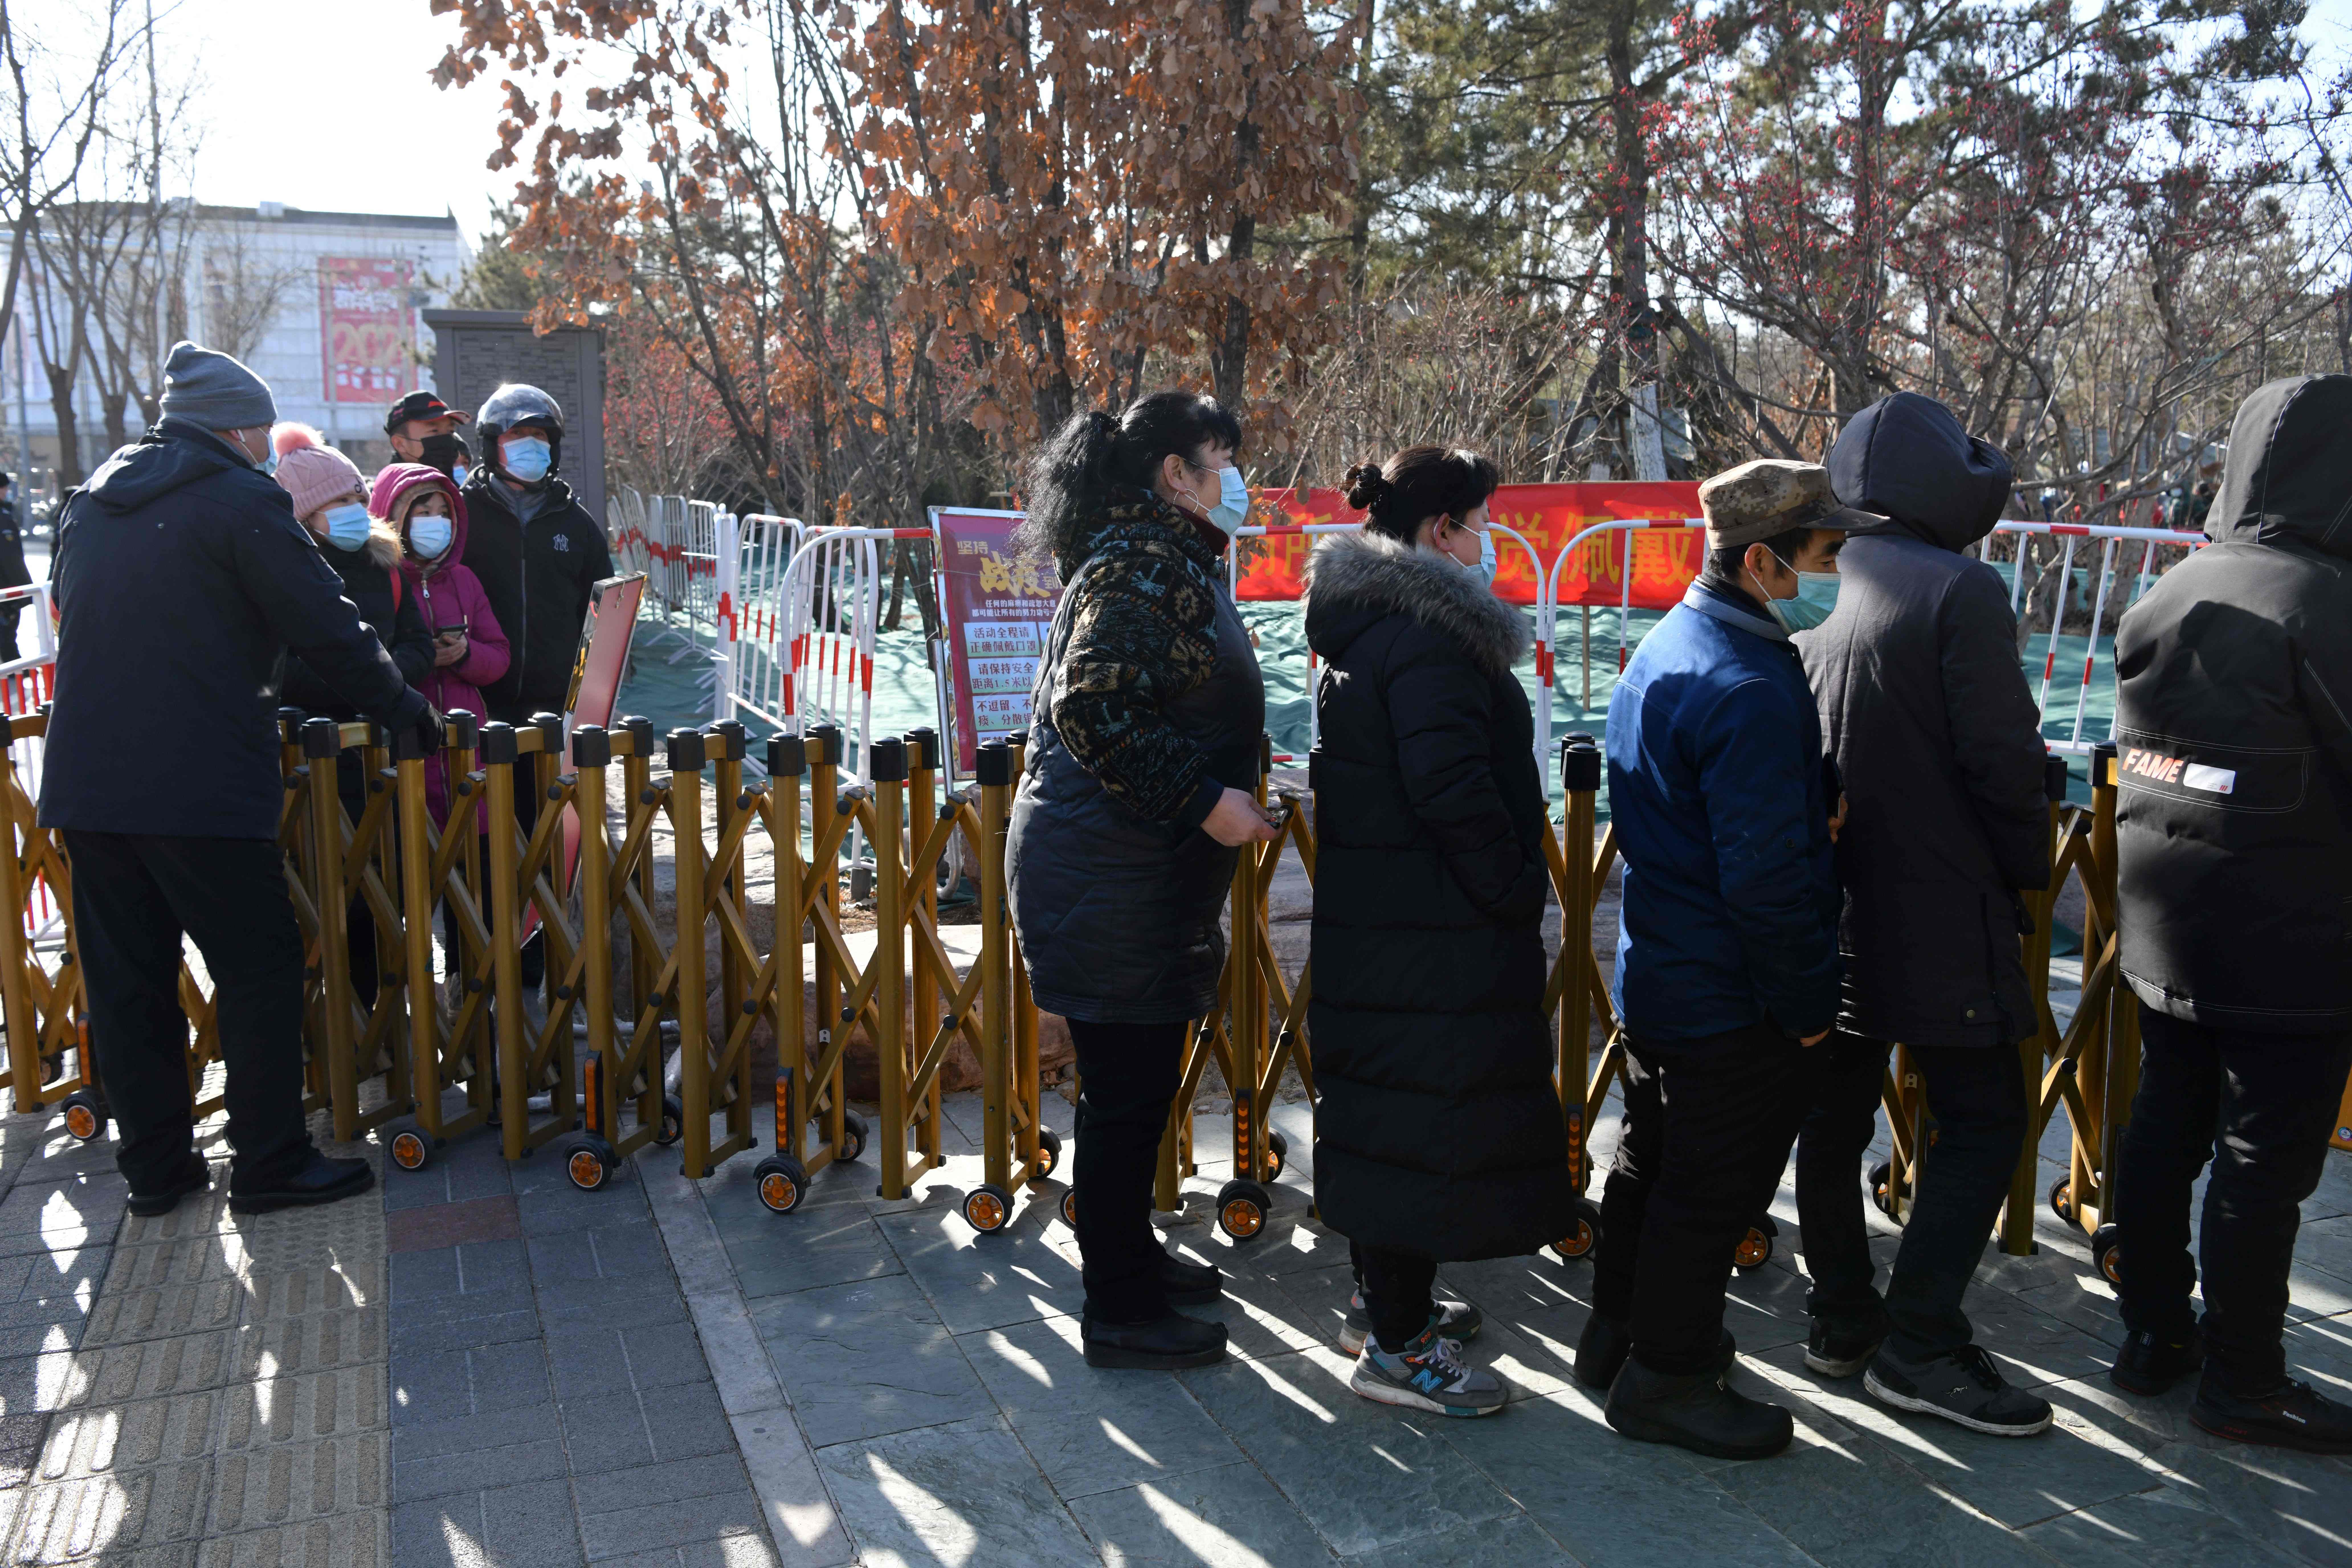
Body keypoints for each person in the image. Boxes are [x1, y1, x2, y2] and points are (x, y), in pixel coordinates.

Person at [39, 341, 433, 1217]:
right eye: (260, 430)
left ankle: (156, 1170)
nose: (265, 446)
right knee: (259, 963)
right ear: (240, 427)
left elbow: (77, 613)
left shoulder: (94, 498)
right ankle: (269, 1162)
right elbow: (324, 620)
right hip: (199, 777)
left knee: (129, 979)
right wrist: (402, 702)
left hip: (89, 783)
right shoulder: (240, 498)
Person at [1792, 391, 2055, 1438]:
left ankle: (1840, 1315)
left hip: (1828, 898)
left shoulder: (1807, 580)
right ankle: (1921, 1339)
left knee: (1832, 1109)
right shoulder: (1961, 588)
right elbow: (2001, 763)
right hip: (1942, 904)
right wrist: (2026, 869)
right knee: (1986, 1115)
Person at [1588, 458, 1859, 1461]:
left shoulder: (1680, 639)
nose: (1836, 577)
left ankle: (1617, 1337)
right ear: (1762, 562)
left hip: (1665, 968)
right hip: (1728, 992)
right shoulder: (1744, 680)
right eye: (1824, 558)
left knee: (1650, 1165)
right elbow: (1764, 878)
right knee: (1708, 1191)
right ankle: (1666, 1376)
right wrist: (1803, 1004)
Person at [2104, 373, 2352, 1453]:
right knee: (2262, 1159)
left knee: (2165, 1125)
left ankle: (2154, 1333)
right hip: (2291, 933)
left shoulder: (2171, 586)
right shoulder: (2323, 602)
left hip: (2167, 921)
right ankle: (2244, 1379)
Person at [1006, 390, 1277, 1372]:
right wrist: (1209, 801)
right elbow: (1094, 706)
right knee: (1122, 1100)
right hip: (1109, 877)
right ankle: (1118, 1304)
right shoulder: (1142, 565)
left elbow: (1172, 698)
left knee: (1135, 1091)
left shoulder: (1163, 559)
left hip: (1125, 873)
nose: (1234, 482)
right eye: (1220, 460)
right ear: (1175, 473)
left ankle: (1133, 1259)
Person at [1303, 445, 1567, 1419]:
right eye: (1478, 521)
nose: (1488, 540)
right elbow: (1451, 787)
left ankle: (1386, 1303)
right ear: (1436, 532)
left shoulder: (1376, 628)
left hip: (1392, 927)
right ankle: (1398, 1345)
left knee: (1392, 1120)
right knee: (1416, 1119)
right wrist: (1510, 884)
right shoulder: (1425, 641)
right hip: (1431, 932)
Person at [457, 383, 611, 986]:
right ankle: (476, 970)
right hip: (478, 710)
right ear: (493, 446)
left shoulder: (575, 523)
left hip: (552, 715)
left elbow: (602, 614)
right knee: (483, 844)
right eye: (517, 438)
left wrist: (592, 702)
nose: (530, 449)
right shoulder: (462, 517)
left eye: (540, 438)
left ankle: (538, 972)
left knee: (549, 842)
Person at [375, 462, 508, 833]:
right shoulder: (379, 581)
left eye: (443, 513)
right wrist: (420, 659)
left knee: (480, 854)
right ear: (396, 517)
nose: (437, 522)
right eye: (423, 513)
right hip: (408, 744)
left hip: (470, 747)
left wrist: (465, 654)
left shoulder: (464, 579)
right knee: (417, 857)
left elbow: (499, 655)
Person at [385, 390, 474, 486]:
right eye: (434, 431)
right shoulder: (388, 494)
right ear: (400, 444)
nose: (446, 440)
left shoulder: (462, 490)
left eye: (451, 432)